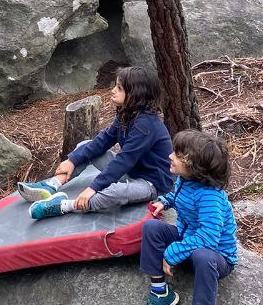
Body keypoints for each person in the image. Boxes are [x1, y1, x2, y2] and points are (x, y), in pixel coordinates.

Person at [17, 66, 173, 220]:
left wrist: (93, 188)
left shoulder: (146, 124)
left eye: (119, 88)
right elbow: (103, 140)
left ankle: (64, 205)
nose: (112, 90)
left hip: (151, 184)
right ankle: (52, 184)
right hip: (132, 172)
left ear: (135, 94)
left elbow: (124, 160)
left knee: (115, 193)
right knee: (84, 146)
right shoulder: (127, 113)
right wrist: (72, 160)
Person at [135, 129, 237, 305]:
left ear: (196, 167)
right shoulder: (184, 180)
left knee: (203, 254)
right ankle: (161, 292)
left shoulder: (211, 197)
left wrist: (173, 252)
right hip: (189, 239)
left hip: (216, 257)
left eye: (178, 154)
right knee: (152, 228)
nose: (171, 156)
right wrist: (165, 201)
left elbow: (209, 238)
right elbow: (177, 196)